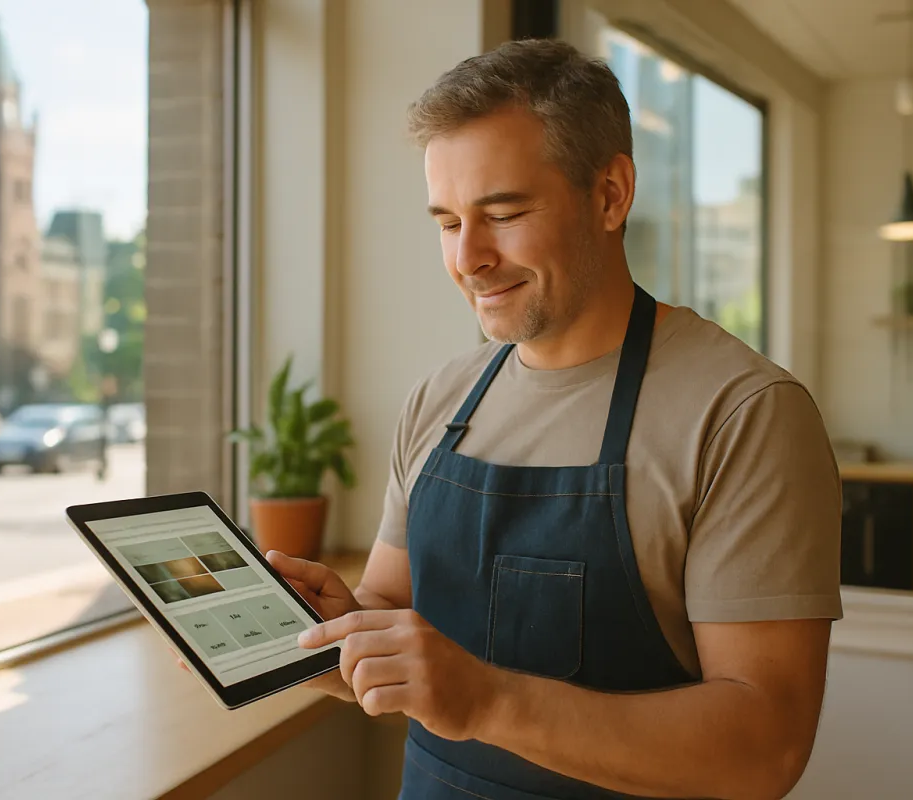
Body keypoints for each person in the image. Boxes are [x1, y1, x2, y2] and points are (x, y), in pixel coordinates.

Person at [265, 38, 843, 800]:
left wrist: (488, 701)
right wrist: (333, 633)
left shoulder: (743, 416)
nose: (468, 258)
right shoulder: (438, 403)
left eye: (501, 213)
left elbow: (764, 748)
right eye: (446, 222)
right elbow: (387, 606)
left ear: (610, 194)